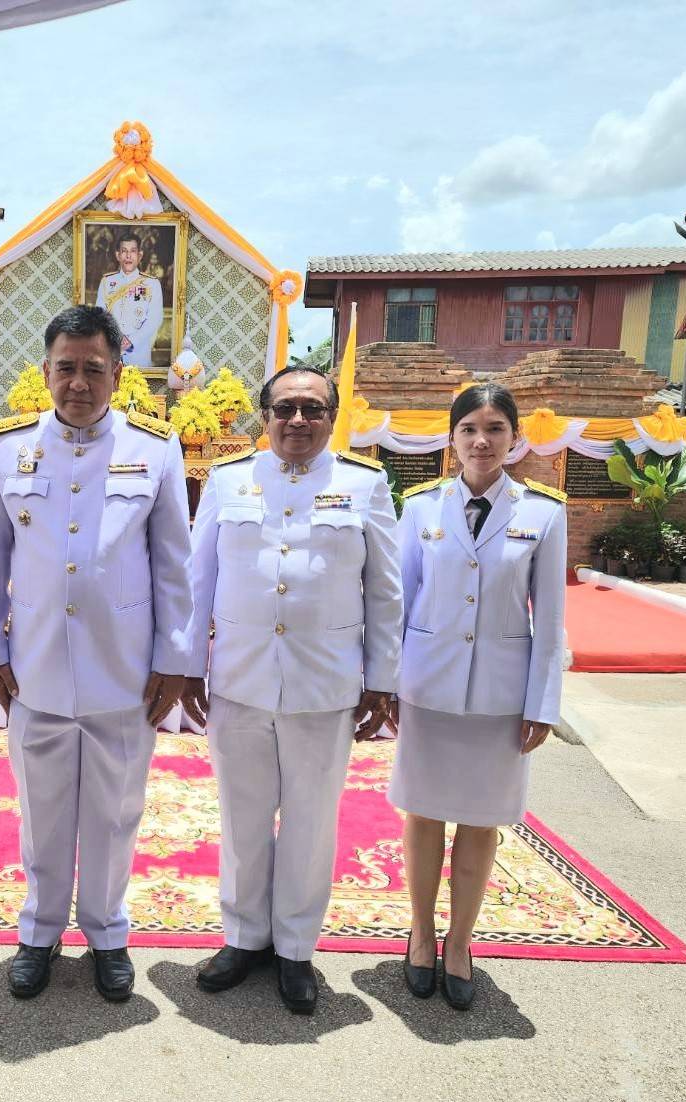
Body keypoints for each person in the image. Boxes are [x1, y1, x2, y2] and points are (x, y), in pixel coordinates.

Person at [0, 304, 193, 1002]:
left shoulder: (155, 449)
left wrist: (174, 659)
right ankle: (39, 932)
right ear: (45, 371)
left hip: (124, 670)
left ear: (118, 375)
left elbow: (174, 566)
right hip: (35, 665)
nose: (77, 383)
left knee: (116, 811)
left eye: (93, 369)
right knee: (41, 811)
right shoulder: (7, 447)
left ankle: (107, 932)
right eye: (65, 368)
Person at [181, 365, 402, 1014]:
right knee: (243, 816)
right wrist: (188, 665)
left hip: (324, 683)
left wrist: (382, 678)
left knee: (310, 821)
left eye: (312, 409)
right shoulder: (228, 480)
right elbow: (198, 579)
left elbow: (385, 590)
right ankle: (244, 937)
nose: (298, 420)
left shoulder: (364, 483)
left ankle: (297, 948)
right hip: (241, 678)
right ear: (265, 416)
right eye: (284, 408)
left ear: (332, 417)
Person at [389, 382, 567, 1011]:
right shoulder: (420, 508)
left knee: (481, 820)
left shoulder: (543, 513)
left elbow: (551, 619)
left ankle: (460, 941)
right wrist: (386, 682)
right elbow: (399, 601)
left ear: (514, 439)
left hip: (499, 696)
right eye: (469, 429)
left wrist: (542, 703)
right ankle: (420, 933)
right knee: (423, 813)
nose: (481, 441)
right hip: (428, 687)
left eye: (494, 429)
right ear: (451, 438)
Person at [94, 231, 165, 363]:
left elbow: (155, 319)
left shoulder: (152, 284)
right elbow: (99, 316)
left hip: (139, 354)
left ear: (140, 255)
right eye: (124, 251)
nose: (128, 256)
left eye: (133, 251)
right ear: (118, 255)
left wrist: (131, 341)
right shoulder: (106, 282)